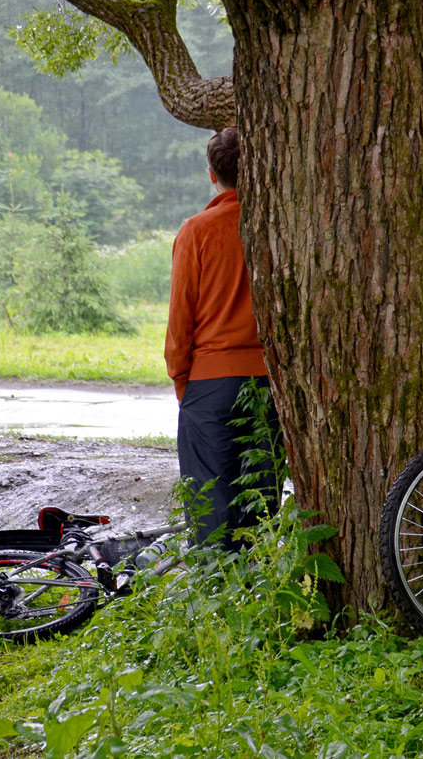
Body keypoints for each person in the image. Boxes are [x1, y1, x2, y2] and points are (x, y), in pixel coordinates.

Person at [164, 127, 281, 548]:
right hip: (269, 383)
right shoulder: (276, 227)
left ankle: (218, 595)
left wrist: (183, 383)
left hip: (210, 385)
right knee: (261, 499)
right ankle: (258, 592)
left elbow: (181, 321)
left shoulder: (197, 231)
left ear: (212, 174)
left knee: (211, 504)